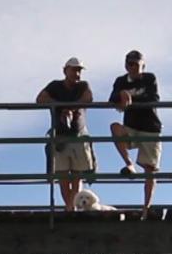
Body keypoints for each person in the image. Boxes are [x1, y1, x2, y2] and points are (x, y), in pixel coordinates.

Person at [36, 57, 95, 211]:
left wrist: (70, 108)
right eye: (74, 70)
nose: (77, 73)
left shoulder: (83, 85)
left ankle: (72, 208)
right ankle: (70, 208)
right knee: (63, 177)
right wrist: (61, 107)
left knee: (76, 175)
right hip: (60, 136)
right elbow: (40, 98)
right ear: (65, 70)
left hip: (78, 134)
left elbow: (88, 97)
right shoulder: (55, 86)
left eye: (79, 70)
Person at [109, 50, 162, 210]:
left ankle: (146, 207)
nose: (133, 68)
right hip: (131, 126)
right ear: (126, 66)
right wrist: (121, 94)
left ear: (143, 66)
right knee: (115, 128)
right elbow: (112, 99)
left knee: (150, 170)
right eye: (130, 64)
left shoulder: (149, 78)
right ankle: (129, 164)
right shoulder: (121, 81)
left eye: (136, 64)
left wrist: (130, 100)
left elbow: (154, 98)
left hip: (150, 127)